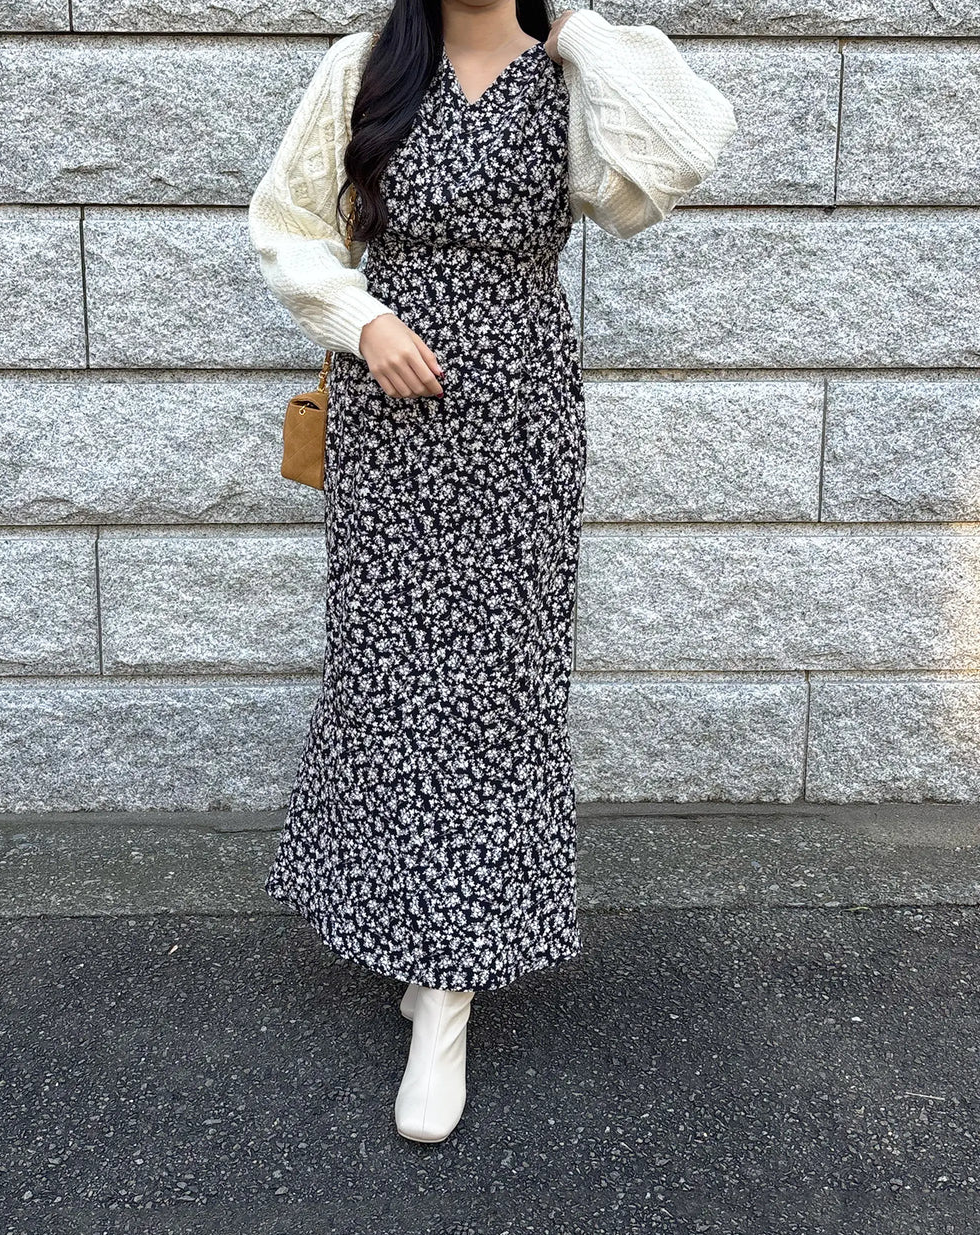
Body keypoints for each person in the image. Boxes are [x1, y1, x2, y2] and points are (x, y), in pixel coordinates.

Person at [247, 1, 737, 1144]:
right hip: (391, 423)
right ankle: (417, 937)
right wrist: (361, 319)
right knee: (389, 680)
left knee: (496, 691)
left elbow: (683, 150)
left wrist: (576, 32)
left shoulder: (569, 75)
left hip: (520, 421)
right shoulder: (367, 65)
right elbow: (288, 221)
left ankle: (448, 994)